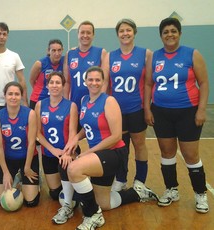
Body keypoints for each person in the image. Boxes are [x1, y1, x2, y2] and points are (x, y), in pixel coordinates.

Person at [66, 66, 158, 230]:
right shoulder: (84, 101)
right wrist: (75, 138)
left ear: (103, 82)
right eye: (91, 79)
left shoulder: (109, 101)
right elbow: (86, 127)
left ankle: (93, 215)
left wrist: (87, 152)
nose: (94, 83)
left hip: (113, 153)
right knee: (104, 203)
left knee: (74, 169)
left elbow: (116, 136)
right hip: (99, 156)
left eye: (98, 80)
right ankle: (136, 193)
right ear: (85, 81)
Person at [144, 17, 209, 214]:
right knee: (166, 153)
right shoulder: (155, 57)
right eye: (166, 32)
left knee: (190, 155)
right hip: (161, 112)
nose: (170, 34)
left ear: (179, 33)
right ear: (161, 36)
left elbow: (204, 83)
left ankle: (200, 194)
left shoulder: (192, 54)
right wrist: (147, 109)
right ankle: (171, 190)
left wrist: (201, 109)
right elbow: (148, 84)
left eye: (173, 31)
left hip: (188, 112)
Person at [108, 19, 152, 191]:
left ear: (134, 32)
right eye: (121, 31)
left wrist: (147, 108)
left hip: (136, 109)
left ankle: (140, 180)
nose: (125, 33)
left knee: (139, 144)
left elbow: (149, 83)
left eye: (128, 30)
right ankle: (120, 178)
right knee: (121, 146)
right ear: (117, 34)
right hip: (117, 111)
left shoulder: (145, 54)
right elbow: (106, 84)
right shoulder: (110, 56)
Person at [34, 71, 78, 224]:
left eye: (58, 83)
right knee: (54, 194)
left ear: (63, 86)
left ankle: (78, 183)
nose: (54, 85)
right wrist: (53, 150)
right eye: (51, 82)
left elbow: (73, 134)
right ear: (47, 86)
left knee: (73, 197)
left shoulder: (71, 106)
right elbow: (37, 133)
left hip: (67, 152)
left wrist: (66, 153)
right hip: (49, 154)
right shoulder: (40, 105)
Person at [0, 82, 40, 207]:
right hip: (8, 159)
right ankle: (15, 178)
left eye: (17, 94)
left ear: (21, 96)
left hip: (28, 159)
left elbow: (31, 143)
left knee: (31, 202)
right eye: (10, 94)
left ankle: (31, 180)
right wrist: (6, 172)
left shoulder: (30, 114)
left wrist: (27, 167)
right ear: (5, 96)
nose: (13, 97)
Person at [63, 20, 108, 114]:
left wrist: (100, 102)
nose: (85, 35)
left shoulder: (101, 52)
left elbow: (105, 81)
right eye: (82, 32)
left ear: (93, 35)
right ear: (78, 34)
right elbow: (67, 81)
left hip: (94, 103)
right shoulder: (70, 54)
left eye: (88, 33)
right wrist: (65, 103)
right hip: (75, 104)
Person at [29, 39, 64, 109]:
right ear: (48, 51)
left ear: (62, 50)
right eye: (53, 50)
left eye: (59, 50)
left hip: (56, 100)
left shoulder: (65, 61)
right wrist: (42, 90)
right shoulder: (40, 64)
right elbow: (31, 80)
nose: (57, 53)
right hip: (38, 99)